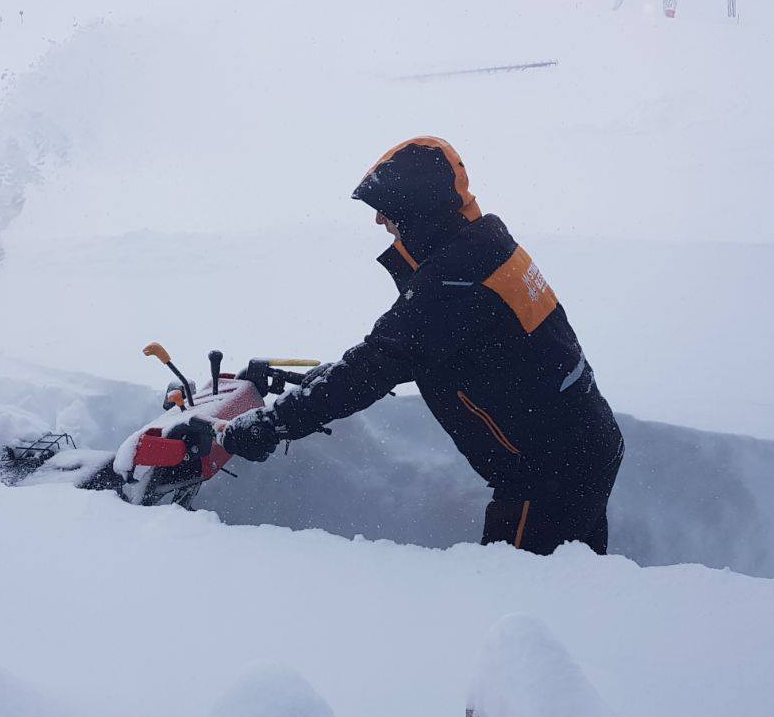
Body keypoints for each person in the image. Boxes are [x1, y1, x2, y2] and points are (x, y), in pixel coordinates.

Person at [221, 137, 624, 555]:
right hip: (579, 449)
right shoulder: (483, 245)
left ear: (419, 208)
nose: (379, 220)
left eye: (388, 207)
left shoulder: (458, 277)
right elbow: (400, 348)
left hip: (549, 474)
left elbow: (379, 364)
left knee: (520, 599)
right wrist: (312, 385)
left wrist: (270, 427)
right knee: (570, 590)